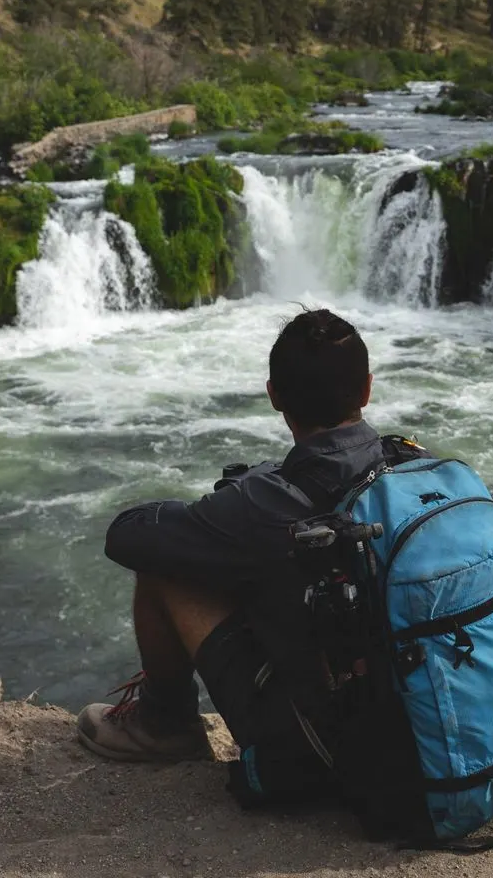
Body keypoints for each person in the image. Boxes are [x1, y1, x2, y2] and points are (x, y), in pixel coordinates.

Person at [78, 308, 425, 800]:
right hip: (425, 730)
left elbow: (127, 536)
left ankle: (166, 723)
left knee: (168, 569)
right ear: (367, 390)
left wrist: (212, 515)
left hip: (328, 754)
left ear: (274, 396)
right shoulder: (416, 470)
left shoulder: (263, 503)